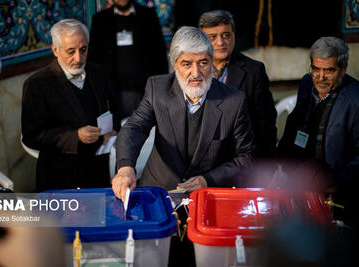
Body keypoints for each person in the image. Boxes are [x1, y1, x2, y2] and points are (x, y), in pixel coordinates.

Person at [112, 26, 254, 201]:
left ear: (211, 60)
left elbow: (246, 158)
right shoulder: (158, 89)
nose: (195, 73)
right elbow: (134, 128)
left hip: (208, 198)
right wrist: (125, 167)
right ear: (174, 64)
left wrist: (208, 180)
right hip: (159, 193)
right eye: (187, 64)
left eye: (203, 63)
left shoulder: (234, 101)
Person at [278, 37, 359, 229]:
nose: (320, 76)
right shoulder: (306, 83)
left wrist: (336, 183)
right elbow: (295, 124)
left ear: (343, 69)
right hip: (300, 184)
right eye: (316, 69)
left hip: (336, 195)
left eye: (329, 70)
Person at [22, 19, 120, 191]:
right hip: (60, 177)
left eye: (83, 50)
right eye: (70, 52)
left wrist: (112, 131)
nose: (79, 58)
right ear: (55, 50)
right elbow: (31, 136)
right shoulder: (37, 84)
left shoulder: (99, 72)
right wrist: (75, 136)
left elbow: (116, 110)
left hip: (98, 171)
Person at [198, 10, 277, 158]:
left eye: (226, 35)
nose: (220, 42)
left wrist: (266, 167)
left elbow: (266, 125)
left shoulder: (254, 71)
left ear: (234, 35)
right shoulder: (193, 69)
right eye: (212, 37)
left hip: (241, 160)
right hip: (201, 161)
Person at [87, 0, 169, 119]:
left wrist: (161, 90)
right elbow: (94, 59)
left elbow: (160, 54)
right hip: (113, 94)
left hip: (146, 91)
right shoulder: (100, 19)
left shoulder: (148, 15)